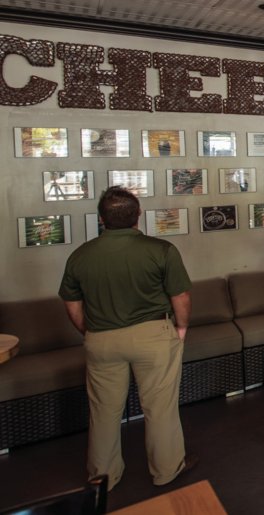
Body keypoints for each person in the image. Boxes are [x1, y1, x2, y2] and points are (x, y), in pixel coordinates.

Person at [59, 186, 196, 490]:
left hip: (101, 339)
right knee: (159, 408)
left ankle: (102, 477)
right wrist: (182, 326)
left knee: (104, 412)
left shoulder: (80, 256)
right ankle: (166, 470)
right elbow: (181, 295)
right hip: (153, 336)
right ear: (138, 216)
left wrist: (88, 331)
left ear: (101, 219)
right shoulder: (161, 250)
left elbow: (71, 303)